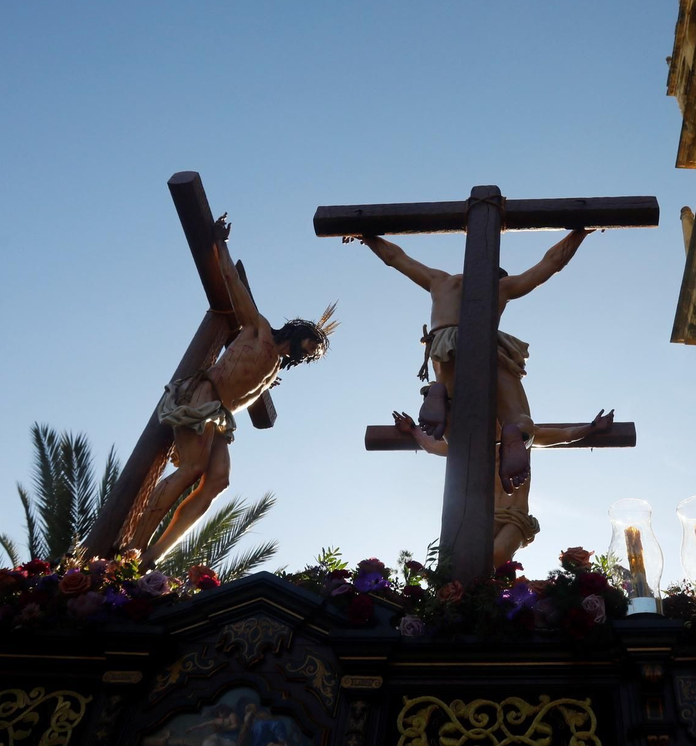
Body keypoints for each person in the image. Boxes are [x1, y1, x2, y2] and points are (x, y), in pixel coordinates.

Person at [132, 264, 338, 562]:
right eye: (311, 345)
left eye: (312, 355)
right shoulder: (259, 329)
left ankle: (155, 555)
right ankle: (134, 542)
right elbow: (231, 280)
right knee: (192, 468)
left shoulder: (274, 368)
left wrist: (266, 378)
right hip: (204, 396)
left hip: (220, 416)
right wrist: (219, 242)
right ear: (297, 331)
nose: (308, 354)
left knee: (217, 481)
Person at [359, 228, 589, 455]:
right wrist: (580, 232)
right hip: (484, 341)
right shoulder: (502, 287)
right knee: (518, 415)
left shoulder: (438, 281)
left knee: (454, 414)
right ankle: (517, 431)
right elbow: (551, 263)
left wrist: (368, 237)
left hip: (444, 343)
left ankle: (438, 392)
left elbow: (395, 258)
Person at [392, 408, 614, 568]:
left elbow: (565, 436)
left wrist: (592, 428)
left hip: (514, 517)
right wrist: (413, 430)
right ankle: (478, 600)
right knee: (461, 563)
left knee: (496, 555)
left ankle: (483, 597)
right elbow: (432, 446)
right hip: (481, 517)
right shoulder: (473, 446)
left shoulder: (523, 440)